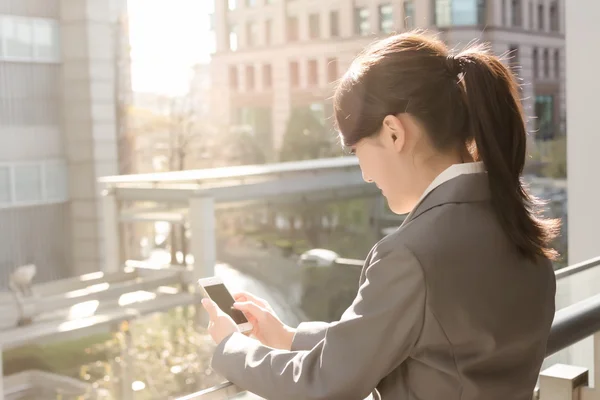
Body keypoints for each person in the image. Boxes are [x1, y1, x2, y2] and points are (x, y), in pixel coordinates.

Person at [201, 31, 558, 400]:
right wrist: (290, 338)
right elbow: (424, 338)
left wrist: (232, 347)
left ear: (392, 133)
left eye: (357, 150)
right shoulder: (518, 227)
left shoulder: (411, 255)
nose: (365, 174)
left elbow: (324, 384)